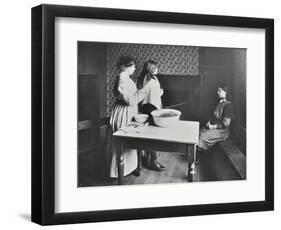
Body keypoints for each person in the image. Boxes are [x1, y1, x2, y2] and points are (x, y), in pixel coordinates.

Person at [107, 56, 149, 178]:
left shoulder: (126, 78)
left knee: (128, 143)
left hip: (128, 112)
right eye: (133, 66)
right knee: (122, 142)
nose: (135, 68)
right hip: (124, 113)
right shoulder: (122, 79)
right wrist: (143, 90)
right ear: (126, 66)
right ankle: (116, 173)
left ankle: (128, 169)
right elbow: (130, 100)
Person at [137, 60, 166, 171]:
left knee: (148, 134)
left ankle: (146, 159)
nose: (157, 69)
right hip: (151, 108)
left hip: (145, 107)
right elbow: (153, 95)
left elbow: (146, 94)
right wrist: (160, 93)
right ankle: (153, 161)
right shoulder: (151, 80)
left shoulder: (144, 78)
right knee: (152, 135)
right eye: (156, 67)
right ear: (152, 68)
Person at [198, 85, 235, 152]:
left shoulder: (229, 105)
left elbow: (226, 124)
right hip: (214, 127)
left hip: (222, 131)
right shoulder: (219, 103)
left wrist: (212, 126)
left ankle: (199, 157)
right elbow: (213, 116)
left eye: (220, 91)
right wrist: (209, 122)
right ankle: (198, 155)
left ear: (226, 92)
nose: (217, 92)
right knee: (199, 132)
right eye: (217, 90)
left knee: (203, 136)